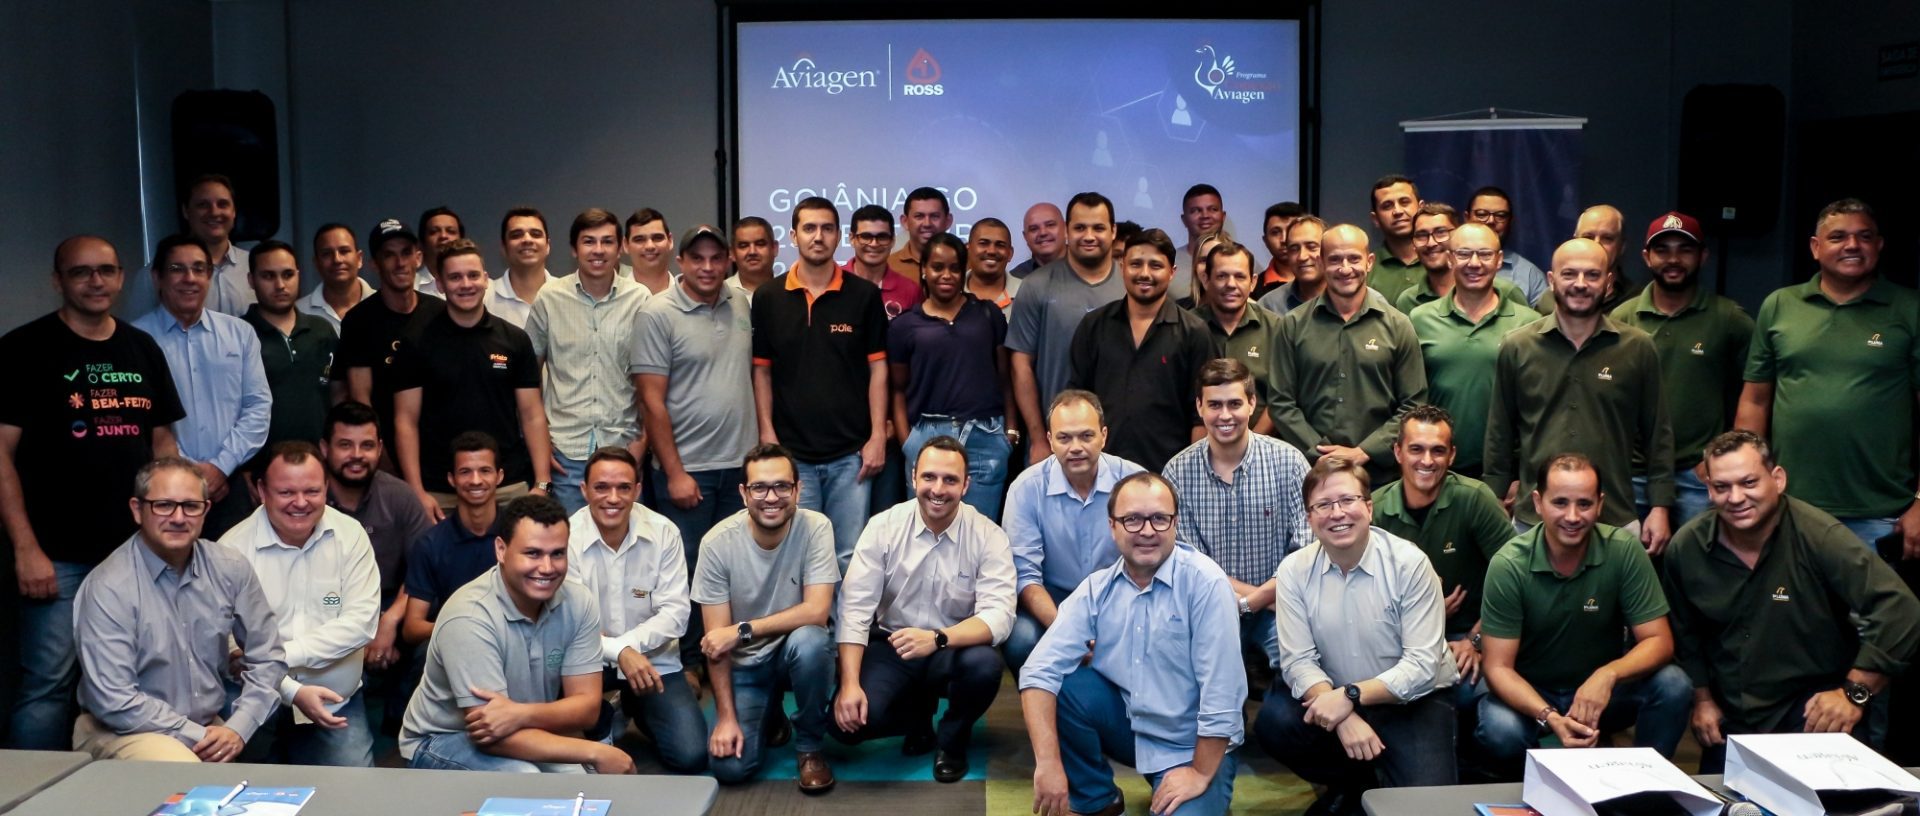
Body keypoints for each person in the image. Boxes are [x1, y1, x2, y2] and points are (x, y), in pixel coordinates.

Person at [2, 235, 184, 750]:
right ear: (57, 280)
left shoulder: (141, 348)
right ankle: (30, 790)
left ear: (122, 277)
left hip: (135, 553)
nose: (95, 281)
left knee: (143, 678)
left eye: (106, 270)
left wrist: (167, 536)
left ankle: (133, 781)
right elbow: (1, 455)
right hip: (56, 555)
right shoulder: (22, 349)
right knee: (48, 686)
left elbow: (163, 445)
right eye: (80, 272)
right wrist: (25, 548)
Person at [1666, 431, 1920, 772]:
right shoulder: (1687, 548)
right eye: (1722, 487)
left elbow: (1901, 609)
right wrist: (1703, 700)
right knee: (1718, 799)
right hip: (1734, 717)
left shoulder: (1819, 535)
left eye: (1749, 482)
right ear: (1709, 490)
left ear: (1778, 479)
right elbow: (1685, 633)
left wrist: (1854, 692)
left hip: (1814, 713)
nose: (1736, 497)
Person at [1020, 472, 1246, 816]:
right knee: (1064, 684)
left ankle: (1199, 787)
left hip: (1192, 745)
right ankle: (1096, 799)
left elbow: (1223, 693)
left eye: (1159, 518)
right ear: (1112, 526)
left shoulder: (1206, 584)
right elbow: (1037, 672)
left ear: (1175, 523)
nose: (1147, 531)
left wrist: (1199, 773)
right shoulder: (1097, 588)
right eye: (1132, 520)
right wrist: (1048, 763)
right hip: (1133, 727)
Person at [1259, 457, 1457, 812]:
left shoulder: (1409, 564)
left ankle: (1373, 779)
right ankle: (1353, 783)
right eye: (1323, 505)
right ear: (1309, 518)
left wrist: (1351, 696)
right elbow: (1298, 660)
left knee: (1430, 808)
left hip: (1410, 701)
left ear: (1368, 507)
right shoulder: (1293, 571)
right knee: (1276, 722)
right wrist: (1343, 713)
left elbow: (1422, 666)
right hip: (1334, 693)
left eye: (1347, 500)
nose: (1337, 513)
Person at [1476, 454, 1692, 767]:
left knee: (1673, 684)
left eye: (1584, 504)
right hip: (1533, 692)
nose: (1573, 516)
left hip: (1601, 692)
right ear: (1538, 503)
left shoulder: (1623, 550)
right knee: (1500, 729)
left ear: (1600, 504)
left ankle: (1643, 779)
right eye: (1560, 502)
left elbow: (1659, 640)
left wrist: (1608, 674)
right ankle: (1534, 784)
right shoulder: (1509, 564)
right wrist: (1550, 716)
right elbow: (1497, 668)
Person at [398, 495, 636, 774]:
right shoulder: (470, 616)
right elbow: (490, 732)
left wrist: (520, 714)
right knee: (526, 777)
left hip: (526, 727)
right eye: (532, 553)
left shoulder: (578, 602)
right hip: (442, 738)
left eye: (557, 554)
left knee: (580, 780)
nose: (547, 567)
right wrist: (596, 752)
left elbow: (587, 710)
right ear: (501, 550)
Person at [72, 457, 286, 761]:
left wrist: (239, 728)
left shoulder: (230, 568)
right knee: (186, 772)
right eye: (163, 505)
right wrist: (203, 737)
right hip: (124, 730)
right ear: (137, 509)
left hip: (208, 727)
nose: (178, 517)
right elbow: (114, 699)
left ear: (206, 510)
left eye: (190, 506)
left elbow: (268, 657)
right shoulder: (108, 586)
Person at [1736, 198, 1920, 550]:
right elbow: (1755, 401)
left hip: (1881, 513)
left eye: (1864, 236)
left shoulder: (1910, 309)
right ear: (1815, 247)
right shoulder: (1780, 305)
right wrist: (1746, 486)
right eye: (1838, 237)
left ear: (1879, 245)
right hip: (1790, 506)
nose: (1852, 245)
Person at [834, 437, 1018, 782]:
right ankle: (917, 716)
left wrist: (937, 638)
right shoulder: (883, 527)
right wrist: (849, 685)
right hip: (892, 644)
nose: (938, 489)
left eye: (950, 480)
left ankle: (952, 741)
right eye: (929, 477)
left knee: (984, 666)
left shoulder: (988, 536)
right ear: (913, 477)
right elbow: (854, 609)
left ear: (966, 485)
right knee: (847, 726)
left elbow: (999, 617)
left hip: (952, 647)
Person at [1485, 238, 1676, 550]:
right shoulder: (1517, 346)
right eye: (1569, 274)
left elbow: (1658, 434)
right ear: (1551, 280)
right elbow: (1499, 432)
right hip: (1534, 519)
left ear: (1608, 282)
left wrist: (1660, 507)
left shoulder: (1638, 348)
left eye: (1592, 274)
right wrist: (1494, 496)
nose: (1580, 284)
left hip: (1614, 517)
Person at [219, 442, 380, 766]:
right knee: (242, 790)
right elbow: (231, 646)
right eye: (286, 492)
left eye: (312, 491)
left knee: (357, 792)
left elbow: (361, 624)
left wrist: (275, 656)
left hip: (335, 700)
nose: (301, 502)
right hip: (251, 698)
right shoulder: (231, 550)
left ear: (326, 488)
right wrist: (289, 687)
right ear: (262, 491)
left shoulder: (350, 536)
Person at [750, 196, 890, 566]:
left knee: (848, 555)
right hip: (792, 453)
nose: (818, 236)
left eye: (827, 228)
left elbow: (878, 370)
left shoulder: (864, 295)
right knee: (799, 555)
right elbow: (761, 371)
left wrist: (877, 435)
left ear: (839, 236)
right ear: (793, 235)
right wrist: (767, 433)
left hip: (851, 453)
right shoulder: (768, 297)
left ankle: (843, 612)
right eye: (809, 228)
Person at [693, 444, 841, 790]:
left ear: (798, 490)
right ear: (743, 493)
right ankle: (770, 713)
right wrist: (726, 718)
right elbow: (716, 644)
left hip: (794, 653)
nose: (771, 497)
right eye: (759, 487)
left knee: (812, 641)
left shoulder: (816, 527)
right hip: (745, 666)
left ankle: (809, 747)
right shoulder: (716, 544)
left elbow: (817, 611)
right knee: (729, 768)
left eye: (782, 486)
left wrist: (743, 630)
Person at [1162, 359, 1313, 673]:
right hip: (1211, 607)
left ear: (1252, 404)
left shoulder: (1289, 463)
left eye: (1234, 404)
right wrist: (1263, 598)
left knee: (1299, 671)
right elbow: (1189, 562)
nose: (1225, 415)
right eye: (1214, 405)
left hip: (1282, 611)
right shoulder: (1177, 472)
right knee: (1194, 676)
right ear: (1199, 407)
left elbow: (1306, 554)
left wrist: (1252, 603)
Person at [564, 447, 707, 772]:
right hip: (583, 663)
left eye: (623, 487)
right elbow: (570, 624)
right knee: (560, 740)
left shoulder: (664, 532)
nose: (613, 498)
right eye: (601, 487)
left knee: (692, 755)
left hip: (652, 660)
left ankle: (632, 704)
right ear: (584, 490)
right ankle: (606, 709)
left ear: (638, 490)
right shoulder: (566, 537)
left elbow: (675, 615)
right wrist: (621, 653)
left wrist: (625, 649)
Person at [634, 226, 756, 600]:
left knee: (735, 568)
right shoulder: (656, 313)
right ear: (680, 261)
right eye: (697, 259)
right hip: (689, 470)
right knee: (686, 571)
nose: (707, 267)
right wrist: (675, 473)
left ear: (728, 261)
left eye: (716, 258)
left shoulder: (740, 302)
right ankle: (690, 642)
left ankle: (726, 638)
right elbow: (650, 401)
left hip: (740, 466)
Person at [1610, 212, 1754, 526]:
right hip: (1633, 474)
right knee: (1628, 556)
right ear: (1646, 257)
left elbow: (1755, 394)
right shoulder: (1621, 319)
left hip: (1698, 476)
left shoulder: (1729, 319)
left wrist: (1722, 457)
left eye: (1684, 250)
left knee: (1698, 557)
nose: (1673, 259)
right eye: (1662, 250)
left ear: (1703, 256)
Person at [393, 238, 552, 520]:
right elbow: (406, 421)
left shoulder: (514, 340)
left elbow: (532, 414)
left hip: (508, 485)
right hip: (440, 489)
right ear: (440, 284)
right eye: (455, 277)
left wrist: (541, 482)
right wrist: (416, 491)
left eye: (473, 275)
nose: (465, 284)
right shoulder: (416, 342)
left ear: (486, 279)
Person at [1368, 405, 1515, 709]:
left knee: (1471, 695)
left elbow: (1518, 579)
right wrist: (1424, 615)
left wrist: (1477, 640)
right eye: (1416, 449)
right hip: (1395, 636)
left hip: (1465, 632)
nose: (1427, 460)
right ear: (1398, 452)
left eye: (1437, 451)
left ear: (1452, 455)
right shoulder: (1376, 510)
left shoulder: (1475, 499)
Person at [132, 234, 272, 539]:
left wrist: (220, 467)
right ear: (157, 277)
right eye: (177, 269)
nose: (189, 278)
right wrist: (189, 473)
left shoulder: (240, 333)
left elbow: (258, 406)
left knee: (234, 565)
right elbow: (137, 419)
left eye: (198, 269)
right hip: (163, 490)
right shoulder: (134, 341)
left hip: (230, 485)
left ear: (209, 276)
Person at [1268, 224, 1428, 486]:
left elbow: (1414, 404)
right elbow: (1281, 402)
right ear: (1321, 262)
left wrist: (1365, 451)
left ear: (1369, 262)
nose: (1345, 269)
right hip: (1309, 473)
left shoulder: (1399, 326)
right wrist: (1319, 452)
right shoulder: (1292, 325)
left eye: (1354, 258)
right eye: (1335, 260)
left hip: (1379, 477)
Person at [1002, 390, 1145, 673]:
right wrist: (1067, 630)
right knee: (1021, 640)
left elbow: (1151, 560)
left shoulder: (1134, 483)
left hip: (1119, 596)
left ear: (1103, 435)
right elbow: (1026, 577)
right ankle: (1045, 697)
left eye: (1086, 436)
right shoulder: (1026, 489)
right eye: (1064, 438)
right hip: (1052, 598)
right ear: (1049, 440)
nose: (1075, 447)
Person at [526, 208, 650, 515]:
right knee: (567, 542)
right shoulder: (549, 298)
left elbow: (652, 383)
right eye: (589, 241)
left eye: (607, 241)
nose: (598, 250)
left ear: (620, 248)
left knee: (625, 540)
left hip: (624, 449)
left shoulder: (641, 299)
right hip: (565, 455)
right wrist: (541, 448)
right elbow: (527, 380)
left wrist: (643, 443)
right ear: (574, 249)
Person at [320, 401, 432, 736]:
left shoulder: (400, 496)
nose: (357, 455)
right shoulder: (310, 497)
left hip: (393, 603)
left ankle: (404, 729)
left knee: (435, 641)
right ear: (325, 448)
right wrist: (362, 630)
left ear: (380, 449)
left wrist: (390, 620)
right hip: (330, 611)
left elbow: (424, 571)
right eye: (345, 445)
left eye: (367, 445)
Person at [1067, 228, 1217, 473]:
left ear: (1172, 272)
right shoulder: (1094, 326)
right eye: (1136, 264)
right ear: (1122, 266)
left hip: (1169, 472)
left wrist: (1192, 472)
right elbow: (1078, 399)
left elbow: (1201, 412)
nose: (1145, 273)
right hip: (1103, 469)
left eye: (1156, 265)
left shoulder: (1194, 332)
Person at [890, 232, 1015, 517]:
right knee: (927, 532)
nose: (946, 275)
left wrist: (1009, 433)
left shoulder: (988, 315)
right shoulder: (904, 326)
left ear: (964, 270)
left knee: (980, 533)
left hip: (985, 436)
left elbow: (1005, 378)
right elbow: (897, 389)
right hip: (927, 437)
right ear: (924, 269)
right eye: (937, 267)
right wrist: (908, 442)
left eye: (954, 268)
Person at [1405, 222, 1539, 477]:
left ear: (1499, 260)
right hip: (1435, 467)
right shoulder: (1420, 319)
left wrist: (1521, 475)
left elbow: (1534, 407)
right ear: (1450, 259)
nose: (1474, 263)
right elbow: (1409, 398)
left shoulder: (1528, 323)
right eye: (1464, 254)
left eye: (1485, 254)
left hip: (1506, 473)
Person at [1009, 192, 1125, 464]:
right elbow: (1020, 366)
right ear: (1067, 231)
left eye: (1098, 228)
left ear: (1113, 231)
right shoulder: (1036, 285)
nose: (1089, 236)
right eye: (1080, 227)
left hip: (1120, 441)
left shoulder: (1130, 285)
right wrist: (1039, 438)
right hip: (1055, 442)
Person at [338, 218, 445, 457]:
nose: (400, 263)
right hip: (387, 450)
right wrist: (379, 455)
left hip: (441, 449)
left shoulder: (439, 312)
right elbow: (361, 398)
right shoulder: (359, 321)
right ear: (375, 264)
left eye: (406, 253)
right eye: (389, 255)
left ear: (418, 258)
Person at [241, 240, 339, 477]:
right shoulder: (238, 334)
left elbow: (338, 396)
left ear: (298, 275)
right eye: (268, 276)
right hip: (261, 469)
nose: (280, 285)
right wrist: (243, 469)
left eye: (287, 275)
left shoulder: (322, 330)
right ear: (251, 280)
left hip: (321, 465)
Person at [401, 432, 508, 648]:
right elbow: (412, 628)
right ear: (452, 479)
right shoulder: (430, 544)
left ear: (499, 476)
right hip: (453, 643)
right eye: (465, 472)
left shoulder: (519, 533)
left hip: (513, 639)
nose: (475, 480)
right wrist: (464, 626)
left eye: (485, 470)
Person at [1191, 240, 1283, 434]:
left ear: (1253, 282)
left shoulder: (1276, 329)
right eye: (1222, 276)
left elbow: (1280, 397)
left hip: (1262, 444)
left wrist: (1251, 444)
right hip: (1197, 444)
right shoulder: (1187, 328)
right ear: (1206, 280)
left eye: (1240, 276)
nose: (1231, 284)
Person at [1391, 203, 1531, 315]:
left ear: (1459, 234)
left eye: (1441, 232)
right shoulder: (1408, 301)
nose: (1431, 243)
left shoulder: (1505, 292)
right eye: (1421, 235)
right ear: (1413, 244)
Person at [179, 174, 254, 316]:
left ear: (234, 212)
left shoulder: (255, 266)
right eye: (203, 205)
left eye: (223, 204)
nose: (214, 212)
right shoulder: (159, 274)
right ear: (186, 211)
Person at [1465, 186, 1550, 306]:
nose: (1491, 221)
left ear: (1510, 221)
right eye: (1482, 214)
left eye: (1500, 215)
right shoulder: (1448, 266)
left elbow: (1543, 317)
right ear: (1467, 217)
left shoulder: (1530, 275)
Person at [845, 204, 926, 319]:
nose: (874, 244)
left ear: (892, 240)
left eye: (882, 237)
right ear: (852, 239)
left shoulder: (911, 290)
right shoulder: (833, 282)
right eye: (866, 236)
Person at [295, 222, 375, 333]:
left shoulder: (385, 306)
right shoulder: (298, 313)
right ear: (316, 263)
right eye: (327, 253)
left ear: (359, 259)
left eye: (344, 251)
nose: (337, 260)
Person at [1569, 205, 1644, 313]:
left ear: (1622, 246)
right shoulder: (1553, 298)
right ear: (1574, 242)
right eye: (1588, 237)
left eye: (1607, 238)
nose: (1596, 244)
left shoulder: (1637, 300)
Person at [1364, 175, 1425, 304]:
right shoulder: (1366, 268)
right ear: (1375, 219)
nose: (1397, 211)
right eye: (1387, 206)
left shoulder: (1442, 261)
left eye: (1404, 202)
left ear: (1421, 208)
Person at [1257, 215, 1330, 315]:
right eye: (1294, 249)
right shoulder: (1269, 306)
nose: (1302, 256)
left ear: (1330, 250)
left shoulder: (1348, 298)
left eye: (1311, 247)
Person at [1174, 183, 1228, 305]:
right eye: (1195, 211)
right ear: (1184, 219)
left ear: (1223, 216)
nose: (1205, 216)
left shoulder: (1243, 260)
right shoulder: (1169, 262)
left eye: (1213, 209)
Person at [891, 187, 953, 283]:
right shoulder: (888, 266)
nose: (927, 224)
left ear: (948, 221)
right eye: (919, 216)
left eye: (934, 216)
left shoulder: (966, 263)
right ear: (905, 222)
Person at [966, 217, 1020, 315]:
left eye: (1000, 245)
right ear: (968, 250)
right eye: (983, 243)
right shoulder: (950, 290)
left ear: (1010, 254)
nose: (992, 251)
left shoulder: (1027, 293)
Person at [1255, 201, 1307, 301]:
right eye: (1275, 232)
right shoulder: (1253, 289)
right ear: (1266, 241)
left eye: (1291, 230)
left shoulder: (1327, 282)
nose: (1284, 239)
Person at [624, 208, 677, 295]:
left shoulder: (689, 297)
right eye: (639, 239)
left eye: (657, 238)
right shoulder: (615, 299)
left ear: (670, 241)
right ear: (626, 245)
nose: (650, 246)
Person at [414, 206, 465, 295]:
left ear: (462, 241)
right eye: (434, 231)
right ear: (422, 244)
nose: (443, 236)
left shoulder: (486, 288)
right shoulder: (410, 287)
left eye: (451, 231)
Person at [1012, 202, 1065, 280]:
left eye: (1050, 225)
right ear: (1025, 237)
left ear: (1066, 228)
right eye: (1034, 229)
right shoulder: (1016, 278)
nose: (1043, 233)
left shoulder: (1084, 265)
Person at [730, 216, 777, 295]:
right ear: (732, 253)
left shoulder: (792, 293)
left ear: (775, 248)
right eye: (744, 246)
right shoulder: (718, 293)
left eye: (760, 244)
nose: (752, 252)